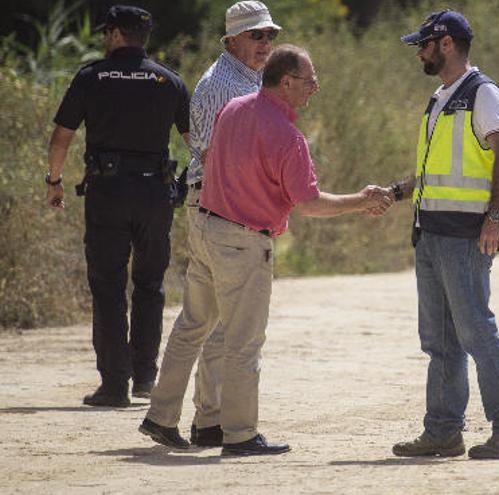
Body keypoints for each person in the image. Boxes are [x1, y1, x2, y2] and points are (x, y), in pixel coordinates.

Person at [139, 44, 393, 455]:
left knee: (192, 327)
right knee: (243, 341)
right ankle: (238, 435)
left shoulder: (234, 108)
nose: (315, 88)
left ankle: (168, 418)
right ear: (287, 82)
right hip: (242, 242)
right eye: (309, 81)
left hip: (205, 226)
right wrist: (361, 201)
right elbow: (308, 204)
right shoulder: (288, 137)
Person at [387, 10, 499, 459]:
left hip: (466, 236)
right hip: (431, 233)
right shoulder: (440, 97)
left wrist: (496, 216)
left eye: (424, 45)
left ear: (446, 44)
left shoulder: (483, 93)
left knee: (475, 331)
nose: (419, 53)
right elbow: (434, 172)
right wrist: (396, 192)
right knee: (440, 341)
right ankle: (443, 432)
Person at [46, 5, 190, 408]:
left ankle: (113, 386)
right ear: (143, 37)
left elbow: (62, 138)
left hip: (107, 193)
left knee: (108, 286)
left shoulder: (92, 77)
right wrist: (181, 186)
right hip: (154, 194)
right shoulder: (169, 80)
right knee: (150, 284)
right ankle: (145, 377)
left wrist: (54, 181)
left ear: (113, 35)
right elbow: (198, 144)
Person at [184, 0, 282, 449]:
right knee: (229, 325)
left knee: (221, 322)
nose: (265, 43)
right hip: (222, 207)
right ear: (232, 40)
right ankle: (223, 424)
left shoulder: (250, 80)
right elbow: (211, 156)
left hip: (227, 207)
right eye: (256, 35)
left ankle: (210, 420)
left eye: (270, 35)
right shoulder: (223, 86)